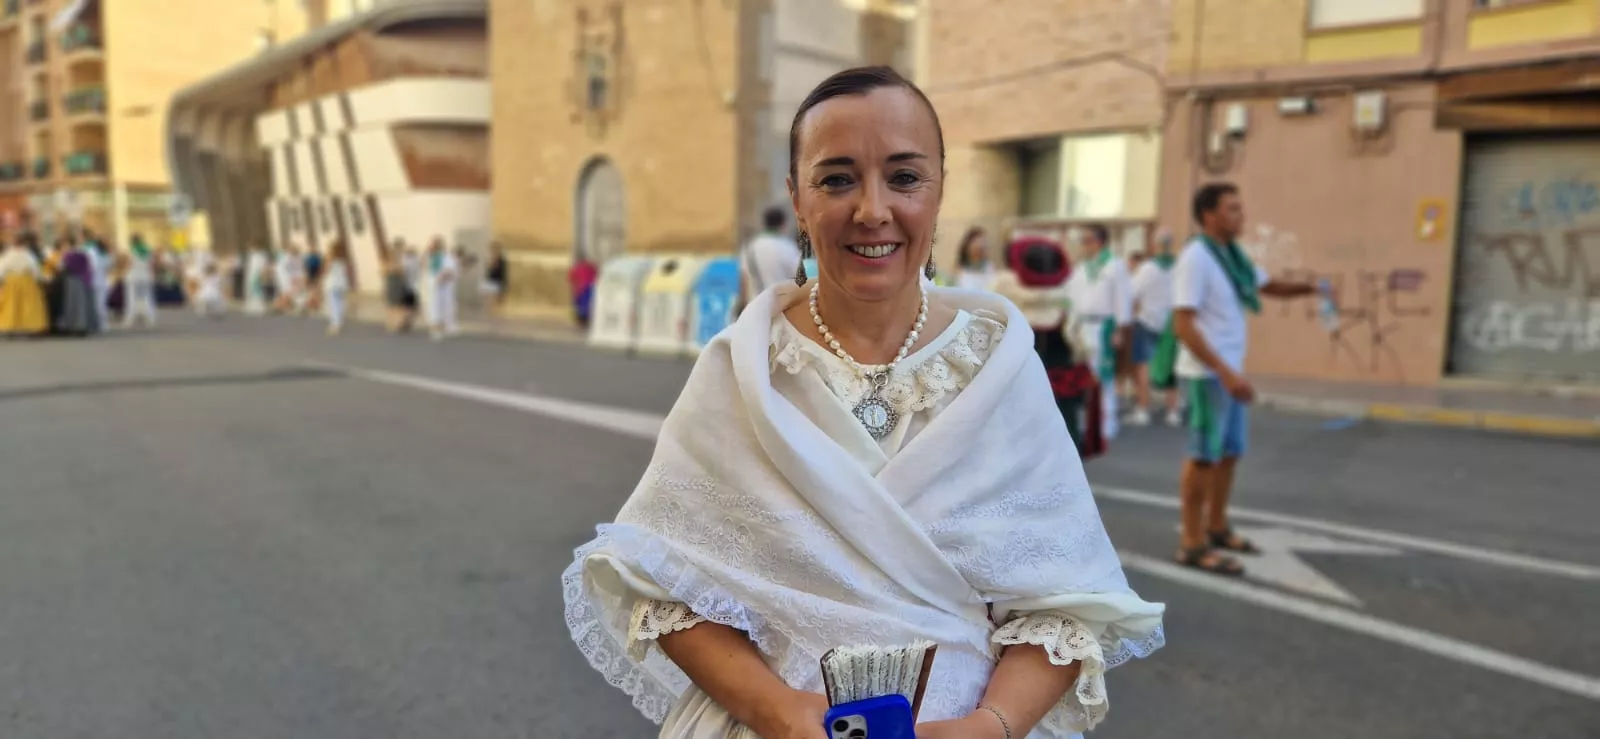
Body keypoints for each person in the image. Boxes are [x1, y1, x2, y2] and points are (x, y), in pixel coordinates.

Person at [563, 66, 1163, 739]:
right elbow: (664, 585)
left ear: (939, 190)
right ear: (797, 196)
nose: (873, 209)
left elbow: (1064, 603)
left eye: (904, 177)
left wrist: (991, 725)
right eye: (837, 178)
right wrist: (780, 713)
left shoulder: (1001, 366)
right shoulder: (742, 368)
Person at [1172, 183, 1318, 576]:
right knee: (1202, 457)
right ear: (1209, 215)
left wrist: (1310, 286)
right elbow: (1182, 325)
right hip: (1207, 375)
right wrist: (1224, 371)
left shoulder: (1231, 257)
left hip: (1229, 373)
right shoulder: (1196, 259)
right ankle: (1191, 542)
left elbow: (1267, 285)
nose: (1242, 216)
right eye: (1233, 209)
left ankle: (1216, 527)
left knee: (1229, 452)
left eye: (1240, 208)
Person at [992, 236, 1105, 459]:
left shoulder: (1005, 305)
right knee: (1062, 448)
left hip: (1016, 388)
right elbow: (1081, 346)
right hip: (1061, 384)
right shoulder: (1064, 303)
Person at [1063, 224, 1132, 441]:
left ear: (1099, 241)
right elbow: (1071, 298)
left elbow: (1123, 298)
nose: (1084, 245)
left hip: (1104, 326)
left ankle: (1106, 422)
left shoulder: (1114, 266)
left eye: (1088, 240)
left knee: (1103, 375)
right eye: (1082, 241)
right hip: (1081, 325)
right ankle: (1086, 421)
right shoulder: (1081, 268)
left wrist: (1121, 329)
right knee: (1082, 375)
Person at [1125, 236, 1179, 426]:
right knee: (1171, 366)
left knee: (1143, 365)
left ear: (1155, 245)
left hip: (1147, 320)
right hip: (1171, 324)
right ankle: (1173, 411)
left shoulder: (1147, 269)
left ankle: (1143, 409)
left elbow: (1131, 293)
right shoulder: (1178, 268)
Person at [738, 205, 802, 308]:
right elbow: (799, 277)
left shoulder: (751, 246)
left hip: (755, 306)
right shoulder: (788, 247)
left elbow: (744, 278)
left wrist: (743, 304)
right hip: (781, 307)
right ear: (783, 224)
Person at [0, 240, 49, 337]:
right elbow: (34, 269)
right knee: (28, 305)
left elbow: (2, 268)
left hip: (12, 282)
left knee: (11, 305)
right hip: (27, 282)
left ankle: (10, 326)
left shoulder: (8, 255)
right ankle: (28, 326)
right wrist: (39, 279)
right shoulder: (28, 255)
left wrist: (2, 281)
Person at [423, 237, 458, 340]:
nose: (432, 247)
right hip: (433, 286)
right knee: (434, 307)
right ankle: (435, 329)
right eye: (431, 245)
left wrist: (442, 278)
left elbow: (450, 270)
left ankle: (445, 327)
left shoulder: (446, 257)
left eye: (434, 245)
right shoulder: (429, 257)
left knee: (445, 307)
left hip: (445, 286)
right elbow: (426, 268)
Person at [123, 234, 158, 328]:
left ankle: (130, 319)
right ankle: (149, 318)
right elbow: (152, 264)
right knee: (147, 297)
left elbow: (128, 264)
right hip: (146, 276)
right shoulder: (148, 251)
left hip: (133, 276)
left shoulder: (131, 251)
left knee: (132, 298)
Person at [383, 242, 416, 333]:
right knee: (391, 305)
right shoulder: (388, 262)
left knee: (399, 305)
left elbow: (402, 272)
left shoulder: (402, 261)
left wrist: (395, 269)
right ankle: (391, 323)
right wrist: (393, 269)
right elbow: (385, 271)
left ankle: (398, 323)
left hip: (398, 285)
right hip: (391, 284)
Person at [322, 240, 352, 336]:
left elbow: (326, 270)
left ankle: (335, 325)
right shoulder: (344, 259)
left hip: (332, 283)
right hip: (341, 283)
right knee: (340, 303)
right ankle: (340, 322)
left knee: (333, 304)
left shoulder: (330, 258)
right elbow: (347, 272)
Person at [953, 226, 995, 292]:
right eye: (975, 241)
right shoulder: (960, 271)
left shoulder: (989, 268)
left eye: (983, 242)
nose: (981, 245)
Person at [482, 241, 508, 317]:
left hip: (497, 282)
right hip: (490, 282)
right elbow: (488, 272)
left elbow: (503, 274)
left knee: (495, 301)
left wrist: (504, 285)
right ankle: (489, 315)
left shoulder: (502, 261)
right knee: (488, 301)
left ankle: (494, 315)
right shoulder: (489, 259)